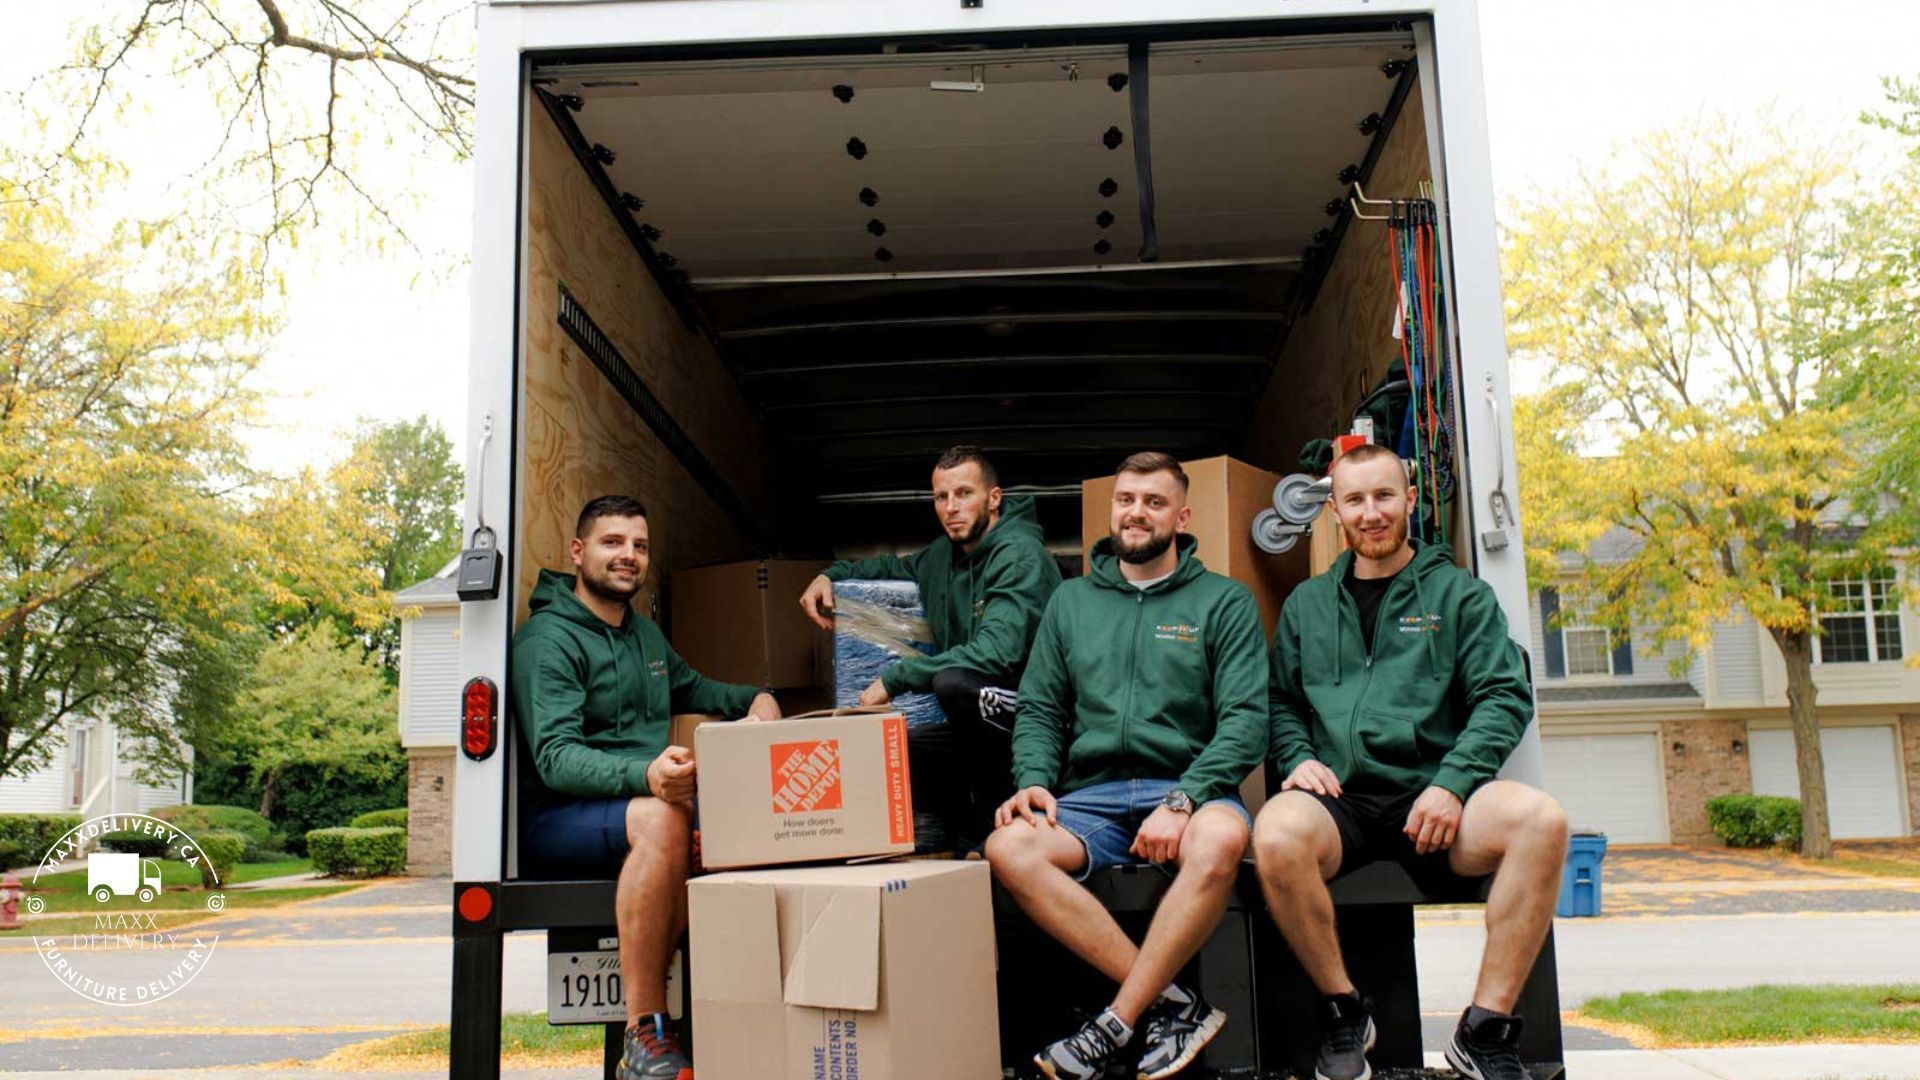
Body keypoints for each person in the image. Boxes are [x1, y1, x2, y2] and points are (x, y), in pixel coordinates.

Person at [1255, 443, 1567, 1080]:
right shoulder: (1307, 607)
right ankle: (1345, 1014)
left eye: (1384, 496)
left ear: (1410, 500)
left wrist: (1453, 783)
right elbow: (1280, 701)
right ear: (1335, 512)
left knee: (1541, 820)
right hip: (1340, 801)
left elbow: (1503, 696)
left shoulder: (1460, 596)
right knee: (1276, 833)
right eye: (1355, 500)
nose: (1371, 513)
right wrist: (1296, 755)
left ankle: (1484, 1032)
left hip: (1435, 800)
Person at [985, 452, 1269, 1080]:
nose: (1136, 512)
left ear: (1182, 515)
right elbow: (1038, 707)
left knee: (1224, 836)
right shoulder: (1071, 603)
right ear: (1112, 508)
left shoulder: (1224, 603)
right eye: (1126, 500)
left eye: (1154, 501)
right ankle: (1171, 1003)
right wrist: (1032, 779)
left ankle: (1113, 1022)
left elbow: (1247, 724)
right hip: (1094, 796)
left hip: (1190, 787)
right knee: (1008, 848)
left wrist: (1185, 799)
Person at [511, 495, 781, 1080]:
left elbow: (701, 689)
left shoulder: (645, 639)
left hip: (638, 806)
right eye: (613, 543)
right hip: (559, 817)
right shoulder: (547, 641)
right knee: (665, 818)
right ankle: (645, 1032)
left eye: (639, 546)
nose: (628, 556)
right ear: (578, 552)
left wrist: (757, 700)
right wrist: (648, 775)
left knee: (722, 823)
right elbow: (555, 758)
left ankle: (737, 1021)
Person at [798, 445, 1061, 846]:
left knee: (953, 685)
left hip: (1032, 715)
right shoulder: (942, 556)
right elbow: (885, 567)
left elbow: (998, 651)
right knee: (892, 751)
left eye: (964, 494)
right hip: (979, 718)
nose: (951, 507)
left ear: (994, 499)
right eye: (942, 497)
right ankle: (958, 841)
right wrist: (828, 575)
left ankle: (996, 833)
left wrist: (897, 677)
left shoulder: (1021, 555)